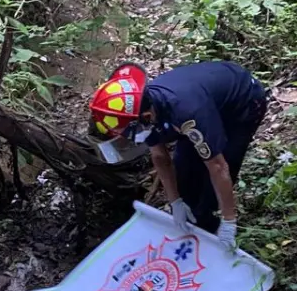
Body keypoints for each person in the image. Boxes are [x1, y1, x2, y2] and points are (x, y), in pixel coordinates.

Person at [88, 61, 268, 253]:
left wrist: (229, 221)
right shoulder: (145, 111)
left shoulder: (187, 112)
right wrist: (175, 202)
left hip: (241, 104)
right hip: (202, 105)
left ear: (147, 118)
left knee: (216, 172)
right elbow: (159, 156)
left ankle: (212, 228)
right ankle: (194, 224)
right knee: (185, 171)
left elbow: (218, 167)